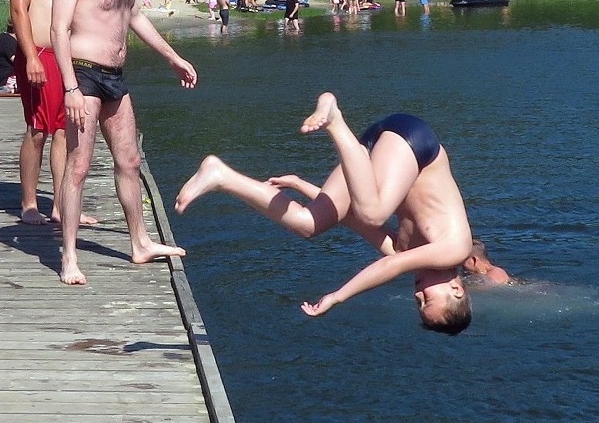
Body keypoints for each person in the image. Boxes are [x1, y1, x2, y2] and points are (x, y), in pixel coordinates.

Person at [176, 93, 474, 334]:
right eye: (428, 300)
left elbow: (349, 217)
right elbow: (389, 265)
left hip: (372, 150)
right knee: (375, 213)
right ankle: (334, 120)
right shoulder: (454, 248)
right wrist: (338, 296)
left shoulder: (402, 249)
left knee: (308, 223)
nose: (417, 297)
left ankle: (220, 175)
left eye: (418, 305)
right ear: (456, 289)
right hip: (413, 142)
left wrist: (301, 185)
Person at [51, 0, 196, 285]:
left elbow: (132, 14)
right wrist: (69, 89)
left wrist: (172, 56)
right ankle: (69, 256)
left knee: (129, 161)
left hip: (116, 75)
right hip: (82, 74)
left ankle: (140, 242)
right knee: (78, 166)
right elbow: (58, 30)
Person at [10, 0, 96, 227]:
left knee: (65, 130)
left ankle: (62, 205)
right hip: (39, 54)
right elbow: (19, 10)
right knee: (38, 130)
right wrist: (30, 55)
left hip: (66, 57)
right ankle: (29, 203)